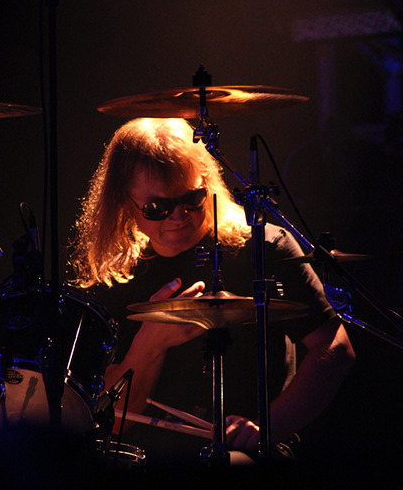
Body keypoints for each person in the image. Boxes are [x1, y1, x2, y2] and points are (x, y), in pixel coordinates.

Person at [68, 117, 355, 468]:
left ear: (208, 185)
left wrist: (267, 427)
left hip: (247, 453)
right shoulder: (117, 277)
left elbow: (335, 349)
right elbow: (115, 420)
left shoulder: (264, 249)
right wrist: (150, 342)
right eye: (158, 208)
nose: (179, 217)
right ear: (125, 203)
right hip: (148, 456)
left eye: (192, 198)